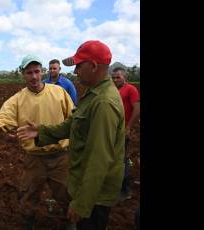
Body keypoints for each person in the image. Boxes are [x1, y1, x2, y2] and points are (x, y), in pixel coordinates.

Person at [17, 40, 125, 230]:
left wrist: (82, 204)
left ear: (92, 66)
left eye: (78, 65)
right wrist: (41, 131)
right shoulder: (93, 94)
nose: (75, 71)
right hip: (87, 187)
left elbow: (99, 160)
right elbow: (72, 124)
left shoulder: (103, 103)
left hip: (94, 197)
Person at [0, 54, 75, 229]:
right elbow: (2, 120)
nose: (34, 76)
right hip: (34, 158)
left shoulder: (59, 93)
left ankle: (71, 223)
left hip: (60, 157)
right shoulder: (17, 100)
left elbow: (74, 119)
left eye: (37, 71)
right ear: (23, 74)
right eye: (29, 72)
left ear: (42, 71)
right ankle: (27, 223)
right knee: (28, 196)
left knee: (67, 195)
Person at [112, 67, 140, 201]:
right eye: (114, 77)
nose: (115, 79)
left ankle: (125, 189)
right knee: (113, 159)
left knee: (121, 159)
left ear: (125, 77)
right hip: (113, 131)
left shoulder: (131, 89)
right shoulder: (114, 90)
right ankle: (114, 185)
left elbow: (137, 108)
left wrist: (128, 127)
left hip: (123, 131)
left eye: (118, 77)